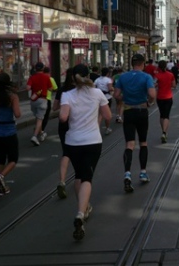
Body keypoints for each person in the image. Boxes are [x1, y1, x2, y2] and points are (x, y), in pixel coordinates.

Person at [59, 64, 111, 241]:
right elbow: (108, 116)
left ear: (73, 78)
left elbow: (63, 117)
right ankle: (81, 213)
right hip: (92, 141)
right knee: (87, 178)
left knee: (78, 176)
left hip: (73, 142)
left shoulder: (67, 95)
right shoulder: (97, 93)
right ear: (88, 76)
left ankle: (84, 207)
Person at [114, 54, 156, 192]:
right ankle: (143, 173)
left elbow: (116, 95)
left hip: (128, 111)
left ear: (132, 64)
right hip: (142, 111)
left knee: (129, 144)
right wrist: (149, 102)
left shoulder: (123, 77)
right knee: (143, 142)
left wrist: (125, 97)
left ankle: (127, 174)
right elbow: (152, 94)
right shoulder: (146, 77)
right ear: (143, 64)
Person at [51, 68, 74, 199]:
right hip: (76, 123)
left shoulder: (62, 90)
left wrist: (63, 106)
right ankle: (80, 177)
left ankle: (62, 180)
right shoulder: (78, 90)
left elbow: (54, 108)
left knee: (66, 153)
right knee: (78, 152)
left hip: (63, 125)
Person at [26, 62, 51, 146]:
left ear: (35, 69)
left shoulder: (32, 77)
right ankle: (34, 136)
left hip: (34, 100)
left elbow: (28, 88)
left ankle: (42, 133)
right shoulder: (46, 77)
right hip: (43, 100)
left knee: (38, 118)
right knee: (40, 119)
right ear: (43, 68)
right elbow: (50, 88)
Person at [155, 60, 176, 143]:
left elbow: (153, 84)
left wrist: (159, 85)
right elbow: (174, 85)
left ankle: (163, 132)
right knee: (166, 115)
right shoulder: (170, 75)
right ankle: (164, 132)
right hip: (168, 97)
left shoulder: (157, 76)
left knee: (162, 115)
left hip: (160, 97)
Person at [40, 66, 58, 143]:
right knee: (46, 116)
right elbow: (55, 88)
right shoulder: (51, 79)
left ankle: (38, 128)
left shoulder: (40, 78)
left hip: (38, 99)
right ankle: (41, 130)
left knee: (40, 116)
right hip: (47, 99)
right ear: (49, 72)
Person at [94, 68, 114, 135]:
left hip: (99, 97)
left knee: (100, 114)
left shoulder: (97, 79)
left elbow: (94, 87)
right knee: (107, 113)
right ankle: (107, 128)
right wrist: (113, 88)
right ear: (107, 73)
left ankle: (97, 128)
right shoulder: (108, 80)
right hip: (107, 97)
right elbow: (110, 88)